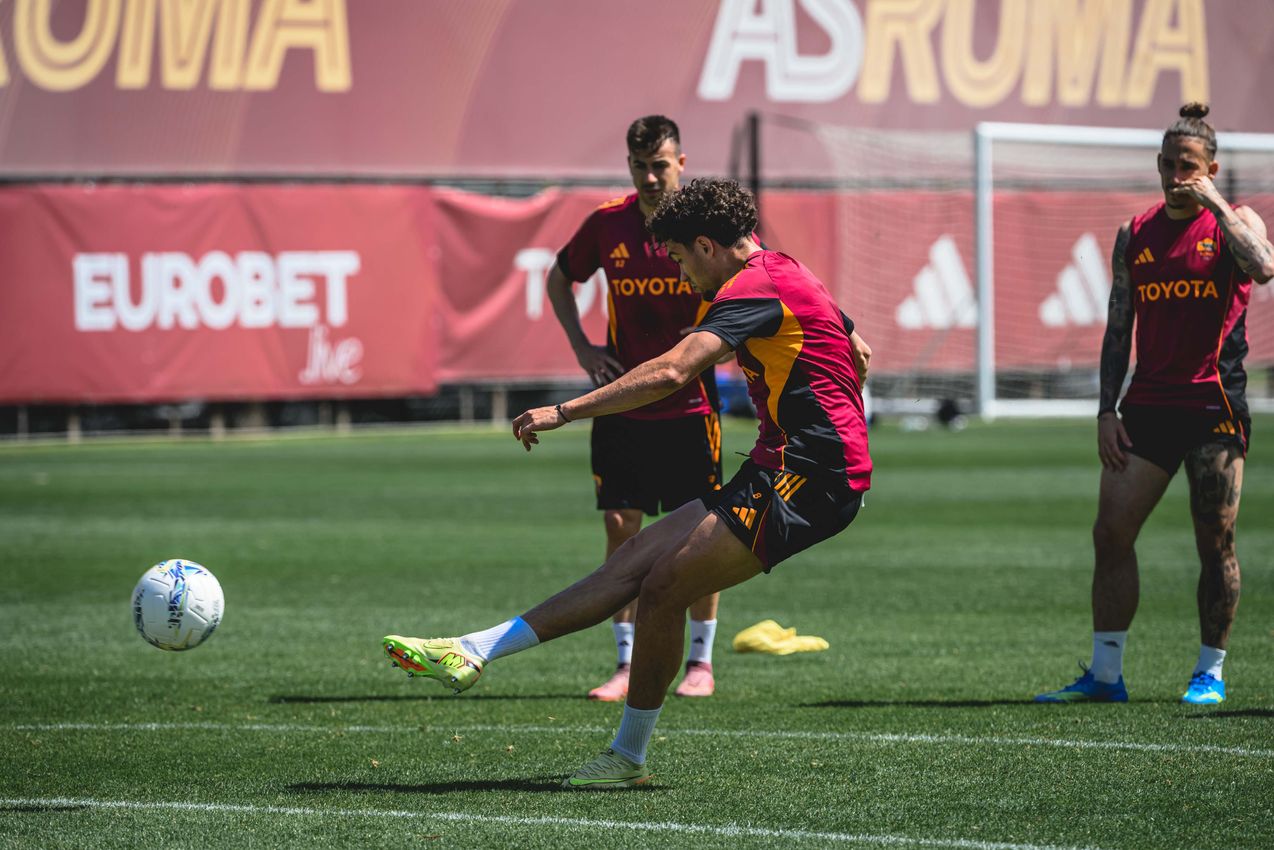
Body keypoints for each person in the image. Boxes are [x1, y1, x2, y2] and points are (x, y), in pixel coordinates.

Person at [384, 178, 873, 788]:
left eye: (680, 258)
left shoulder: (751, 286)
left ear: (706, 245)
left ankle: (626, 757)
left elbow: (671, 371)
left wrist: (563, 411)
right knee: (634, 560)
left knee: (664, 588)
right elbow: (859, 349)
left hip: (811, 477)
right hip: (782, 466)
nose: (681, 274)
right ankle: (473, 650)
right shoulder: (784, 269)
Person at [1035, 103, 1273, 706]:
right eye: (1167, 164)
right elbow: (1119, 328)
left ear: (1210, 169)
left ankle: (1209, 673)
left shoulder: (1233, 221)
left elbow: (1264, 266)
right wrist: (1105, 411)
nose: (1174, 176)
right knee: (1111, 533)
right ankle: (1105, 675)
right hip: (1147, 407)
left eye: (1187, 166)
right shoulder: (1135, 233)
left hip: (1214, 406)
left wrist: (1214, 202)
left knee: (1214, 542)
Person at [545, 115, 724, 701]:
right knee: (621, 531)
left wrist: (728, 343)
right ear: (628, 165)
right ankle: (625, 665)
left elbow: (757, 281)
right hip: (622, 403)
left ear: (682, 163)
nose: (650, 177)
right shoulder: (607, 224)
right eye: (639, 166)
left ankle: (701, 661)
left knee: (703, 535)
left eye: (660, 165)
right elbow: (559, 279)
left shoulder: (707, 223)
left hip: (692, 407)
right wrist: (582, 347)